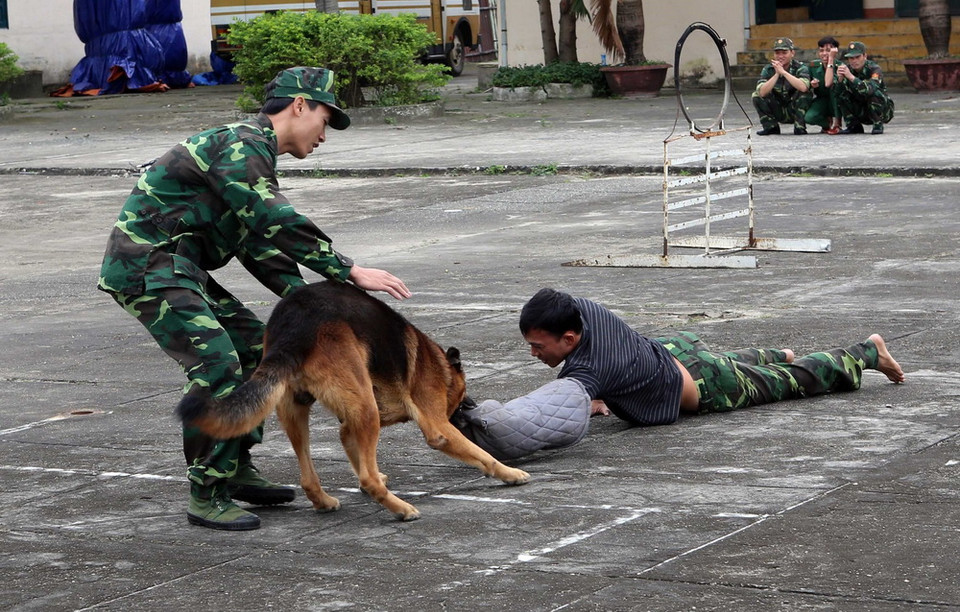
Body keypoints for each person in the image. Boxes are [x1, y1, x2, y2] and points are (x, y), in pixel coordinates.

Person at [97, 66, 411, 531]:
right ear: (300, 105)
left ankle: (236, 470)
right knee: (217, 365)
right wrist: (348, 270)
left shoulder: (252, 155)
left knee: (256, 349)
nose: (324, 135)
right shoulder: (242, 144)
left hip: (179, 268)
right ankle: (207, 491)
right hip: (146, 266)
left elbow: (257, 246)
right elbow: (273, 218)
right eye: (325, 119)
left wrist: (318, 306)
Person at [519, 288, 905, 427]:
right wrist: (600, 394)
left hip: (702, 382)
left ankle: (867, 351)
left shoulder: (592, 366)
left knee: (792, 380)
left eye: (539, 346)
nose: (534, 353)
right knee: (735, 364)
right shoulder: (582, 310)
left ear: (570, 338)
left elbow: (550, 410)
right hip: (672, 351)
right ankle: (778, 352)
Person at [752, 37, 813, 136]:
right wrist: (776, 74)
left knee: (805, 93)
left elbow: (803, 87)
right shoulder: (768, 69)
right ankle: (771, 127)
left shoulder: (800, 68)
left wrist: (784, 73)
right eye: (777, 53)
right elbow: (762, 92)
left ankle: (799, 126)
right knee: (756, 95)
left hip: (794, 109)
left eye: (784, 53)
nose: (780, 56)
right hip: (778, 109)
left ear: (792, 53)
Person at [834, 41, 895, 135]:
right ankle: (853, 126)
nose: (854, 61)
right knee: (842, 94)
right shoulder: (846, 70)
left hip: (883, 111)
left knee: (874, 93)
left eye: (857, 57)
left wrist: (851, 77)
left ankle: (878, 124)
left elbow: (870, 89)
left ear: (864, 56)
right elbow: (836, 94)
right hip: (861, 109)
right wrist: (840, 80)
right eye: (851, 58)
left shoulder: (874, 69)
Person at [804, 36, 842, 135]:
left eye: (828, 50)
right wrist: (812, 86)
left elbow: (829, 83)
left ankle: (837, 123)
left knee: (834, 89)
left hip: (838, 103)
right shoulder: (813, 66)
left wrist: (831, 59)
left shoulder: (840, 67)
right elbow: (807, 85)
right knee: (809, 117)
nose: (824, 53)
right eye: (821, 50)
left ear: (835, 51)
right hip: (823, 100)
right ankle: (826, 124)